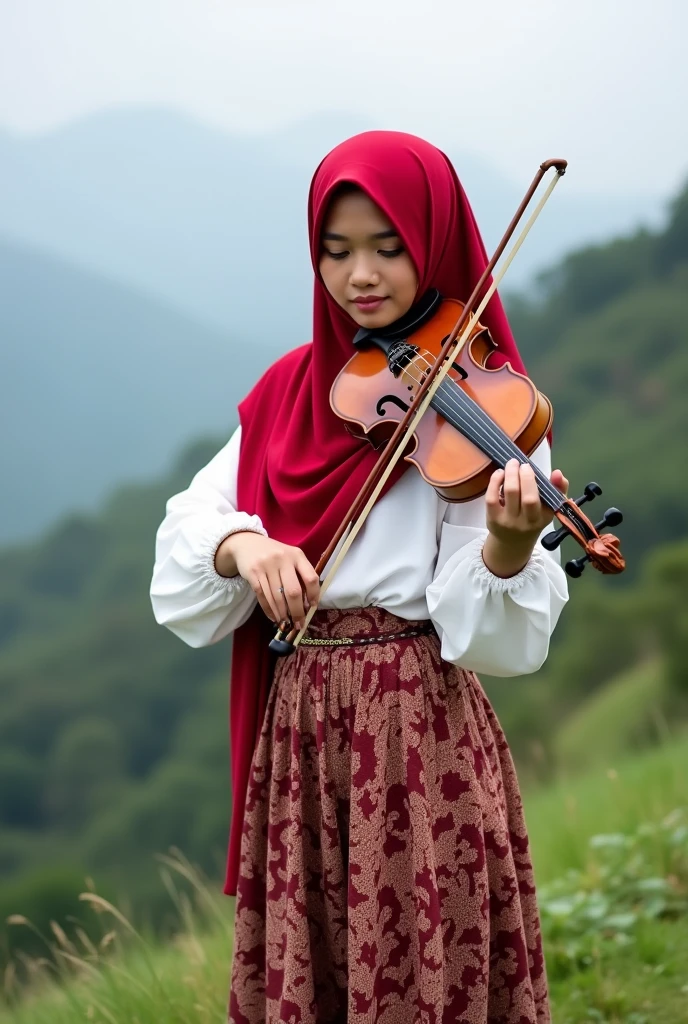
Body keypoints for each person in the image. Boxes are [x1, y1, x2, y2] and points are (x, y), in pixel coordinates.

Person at [150, 130, 569, 1024]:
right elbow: (186, 539)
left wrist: (506, 546)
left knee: (427, 964)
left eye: (389, 249)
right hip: (298, 727)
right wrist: (243, 546)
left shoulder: (485, 403)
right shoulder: (289, 392)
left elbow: (491, 637)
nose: (361, 276)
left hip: (420, 726)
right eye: (336, 252)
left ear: (433, 243)